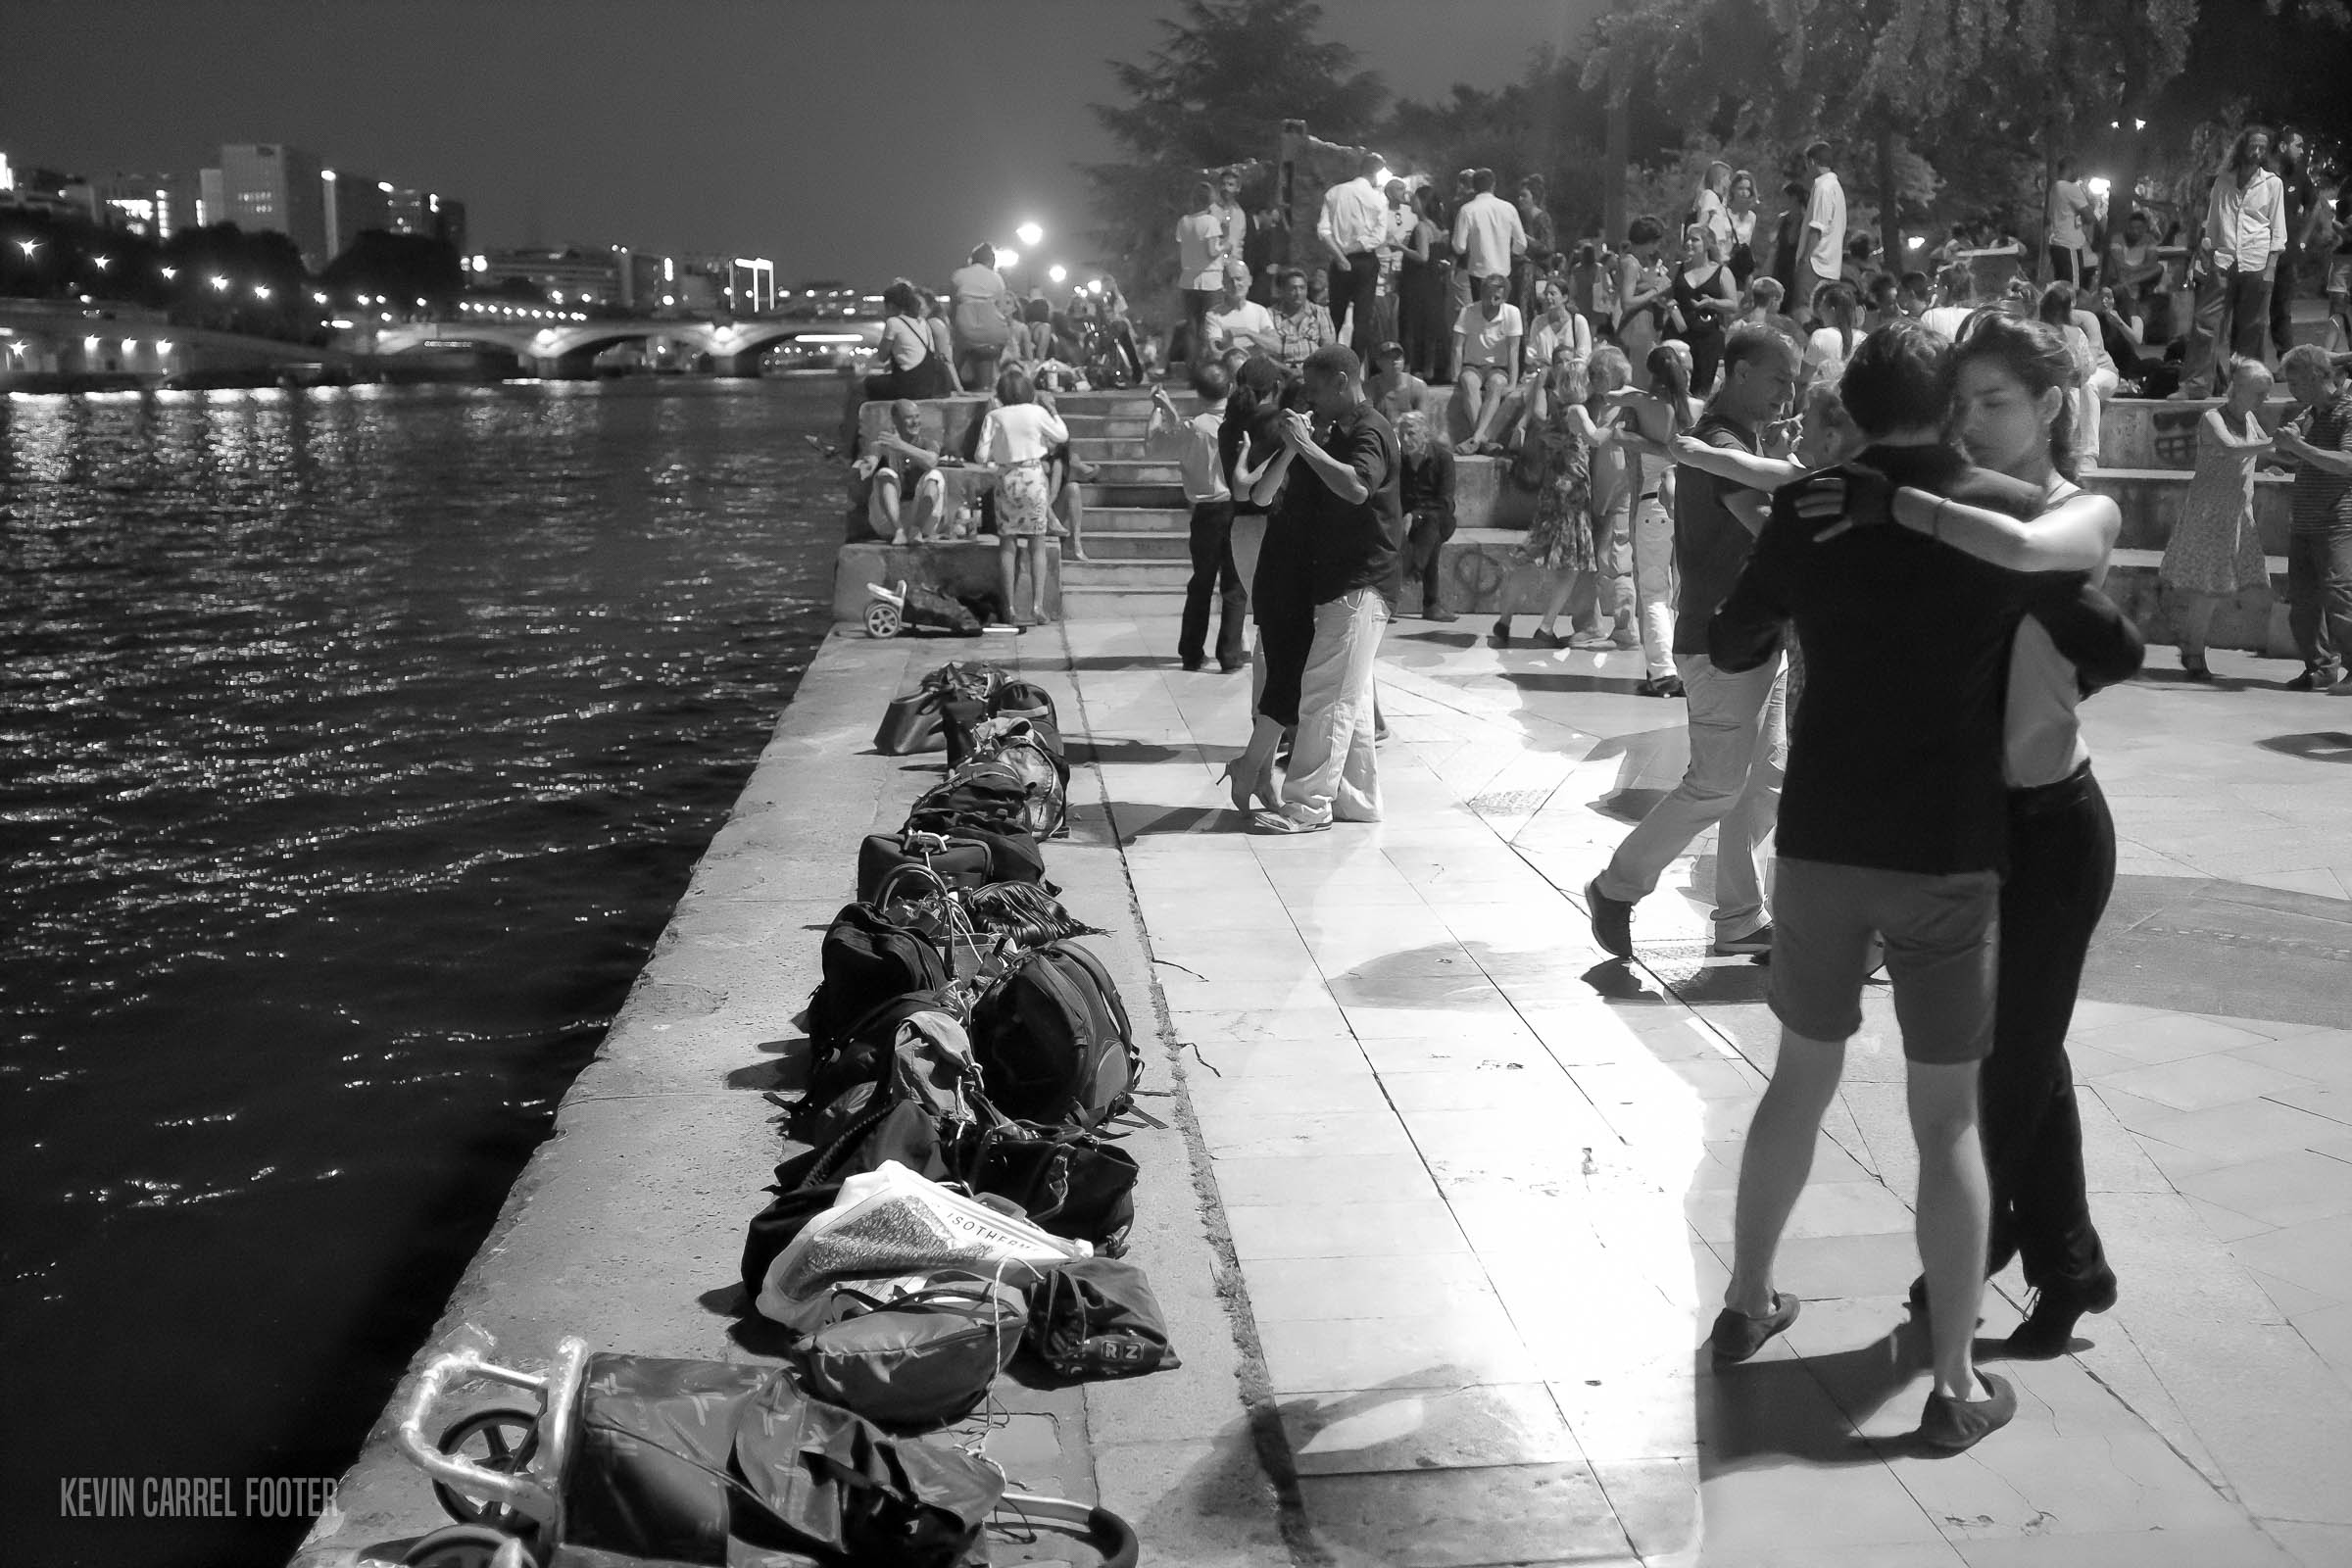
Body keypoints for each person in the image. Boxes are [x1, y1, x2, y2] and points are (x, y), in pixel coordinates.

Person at [1702, 318, 2134, 1447]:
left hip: (1823, 844)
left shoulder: (1813, 504)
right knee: (1949, 1120)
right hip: (1948, 848)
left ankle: (1746, 1300)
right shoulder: (2000, 516)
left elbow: (1734, 636)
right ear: (1947, 405)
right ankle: (1950, 1385)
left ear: (1847, 399)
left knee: (1797, 1083)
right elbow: (2108, 637)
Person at [1808, 315, 2146, 1356]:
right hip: (1966, 820)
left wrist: (1904, 500)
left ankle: (2006, 1249)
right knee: (2013, 1055)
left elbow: (2033, 555)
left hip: (2052, 826)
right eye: (1961, 404)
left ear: (2049, 407)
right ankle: (2055, 1260)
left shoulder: (2075, 510)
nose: (1974, 423)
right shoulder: (1947, 505)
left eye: (1996, 402)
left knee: (2013, 1060)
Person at [1585, 324, 1798, 956]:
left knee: (1766, 779)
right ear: (1736, 373)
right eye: (1777, 380)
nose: (1786, 394)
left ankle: (1738, 916)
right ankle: (1617, 886)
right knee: (1716, 786)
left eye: (1792, 383)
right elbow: (1762, 526)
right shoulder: (1722, 442)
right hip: (1720, 642)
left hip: (1754, 637)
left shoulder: (1743, 440)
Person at [1254, 345, 1401, 833]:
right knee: (1350, 699)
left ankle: (1305, 806)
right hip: (1336, 580)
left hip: (1361, 581)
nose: (1309, 399)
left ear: (1342, 381)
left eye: (1316, 389)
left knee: (1324, 695)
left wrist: (1308, 446)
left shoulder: (1369, 429)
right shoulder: (1337, 431)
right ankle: (1355, 800)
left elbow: (1358, 487)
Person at [2161, 358, 2277, 679]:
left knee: (2217, 589)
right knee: (2208, 589)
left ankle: (2190, 643)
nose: (2264, 400)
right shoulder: (2213, 418)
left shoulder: (2250, 418)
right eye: (2259, 393)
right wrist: (2274, 444)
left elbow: (2257, 451)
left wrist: (2276, 458)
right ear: (2238, 390)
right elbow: (2230, 448)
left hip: (2236, 514)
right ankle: (2193, 650)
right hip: (2210, 515)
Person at [1495, 356, 1616, 648]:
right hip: (1572, 495)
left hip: (1552, 491)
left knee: (1532, 555)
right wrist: (1617, 421)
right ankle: (1546, 627)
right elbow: (1595, 439)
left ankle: (1504, 620)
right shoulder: (1577, 409)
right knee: (1572, 563)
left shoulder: (1554, 409)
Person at [2176, 125, 2285, 400]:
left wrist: (2270, 268)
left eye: (2263, 147)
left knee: (2252, 329)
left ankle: (2247, 389)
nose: (2258, 152)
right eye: (2253, 146)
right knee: (2205, 322)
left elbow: (2278, 230)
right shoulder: (2223, 181)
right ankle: (2195, 386)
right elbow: (2213, 223)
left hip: (2257, 262)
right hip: (2223, 261)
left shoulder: (2272, 183)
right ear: (2242, 146)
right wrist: (2206, 254)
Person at [1149, 364, 1244, 672]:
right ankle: (1230, 655)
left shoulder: (1194, 427)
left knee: (1201, 583)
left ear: (1199, 393)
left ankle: (1191, 652)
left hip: (1206, 512)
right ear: (1230, 388)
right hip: (1236, 508)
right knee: (1234, 584)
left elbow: (1154, 445)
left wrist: (1158, 410)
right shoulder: (1240, 424)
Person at [2271, 344, 2352, 691]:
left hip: (2337, 521)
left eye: (2297, 382)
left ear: (2318, 376)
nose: (2291, 390)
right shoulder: (2311, 414)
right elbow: (2297, 457)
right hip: (2304, 521)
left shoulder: (2348, 412)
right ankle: (2319, 668)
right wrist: (2283, 452)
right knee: (2303, 605)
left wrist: (2300, 449)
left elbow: (2347, 463)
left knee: (2340, 597)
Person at [977, 367, 1068, 626]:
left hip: (1007, 480)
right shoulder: (1037, 412)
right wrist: (1052, 410)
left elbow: (981, 457)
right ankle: (1038, 605)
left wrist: (998, 460)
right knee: (1037, 543)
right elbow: (1062, 435)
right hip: (1033, 478)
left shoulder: (994, 416)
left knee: (1008, 544)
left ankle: (1009, 607)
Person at [2038, 282, 2119, 471]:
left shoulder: (2082, 324)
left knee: (2086, 386)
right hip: (2068, 382)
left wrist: (2070, 376)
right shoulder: (2038, 330)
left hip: (2100, 372)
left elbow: (2087, 368)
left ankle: (2089, 455)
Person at [1319, 151, 1391, 358]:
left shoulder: (1334, 192)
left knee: (1335, 315)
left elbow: (1323, 231)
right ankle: (1356, 368)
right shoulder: (1377, 198)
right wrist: (1349, 250)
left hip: (1338, 257)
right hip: (1365, 260)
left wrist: (1340, 255)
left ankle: (1329, 361)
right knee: (1362, 317)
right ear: (1376, 174)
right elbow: (1378, 237)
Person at [1451, 271, 1526, 456]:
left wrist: (1513, 382)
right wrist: (1454, 376)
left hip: (1498, 368)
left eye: (1497, 297)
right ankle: (1483, 440)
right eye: (1488, 295)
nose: (1492, 301)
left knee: (1498, 384)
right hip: (1473, 365)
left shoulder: (1512, 313)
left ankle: (1475, 438)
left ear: (1504, 297)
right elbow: (1457, 347)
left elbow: (1514, 350)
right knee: (1469, 381)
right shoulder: (1467, 311)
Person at [1396, 409, 1457, 619]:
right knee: (1430, 538)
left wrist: (1415, 515)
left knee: (1430, 523)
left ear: (1425, 434)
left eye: (1411, 433)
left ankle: (1412, 569)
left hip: (1440, 518)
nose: (1405, 439)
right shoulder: (1397, 461)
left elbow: (1445, 501)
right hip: (1407, 520)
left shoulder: (1443, 458)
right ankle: (1431, 605)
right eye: (1401, 434)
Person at [860, 398, 950, 543]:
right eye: (909, 418)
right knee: (885, 474)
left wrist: (901, 446)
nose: (915, 422)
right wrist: (869, 460)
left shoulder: (929, 444)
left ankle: (916, 531)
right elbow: (864, 471)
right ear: (895, 420)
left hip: (923, 521)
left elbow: (931, 461)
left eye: (917, 417)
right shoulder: (882, 445)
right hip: (888, 522)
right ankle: (899, 531)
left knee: (935, 475)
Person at [2270, 128, 2323, 361]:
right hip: (2259, 251)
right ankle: (2244, 363)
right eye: (2298, 145)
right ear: (2282, 146)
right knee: (2253, 309)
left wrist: (2302, 241)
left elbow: (2315, 206)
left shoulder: (2300, 175)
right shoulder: (2265, 172)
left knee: (2282, 309)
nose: (2302, 151)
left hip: (2287, 252)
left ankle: (2285, 361)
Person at [862, 279, 956, 404]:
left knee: (861, 387)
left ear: (890, 306)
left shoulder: (894, 322)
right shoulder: (923, 322)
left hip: (907, 387)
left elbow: (882, 356)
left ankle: (853, 423)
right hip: (928, 386)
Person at [1671, 224, 1739, 392]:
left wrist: (1712, 303)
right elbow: (1660, 292)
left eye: (1694, 239)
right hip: (1678, 334)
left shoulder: (1722, 272)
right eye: (1687, 239)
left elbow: (1733, 305)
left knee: (1701, 389)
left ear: (1707, 243)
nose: (1688, 243)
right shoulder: (1676, 269)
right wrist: (1668, 305)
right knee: (1674, 386)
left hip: (1707, 337)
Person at [1177, 181, 1232, 373]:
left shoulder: (1184, 221)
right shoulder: (1210, 222)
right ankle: (1208, 367)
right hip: (1210, 279)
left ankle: (1192, 369)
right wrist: (1226, 245)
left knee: (1191, 327)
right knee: (1210, 326)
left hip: (1188, 278)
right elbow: (1211, 251)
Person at [1451, 168, 1527, 302]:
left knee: (1481, 316)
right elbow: (1521, 244)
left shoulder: (1467, 210)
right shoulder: (1509, 208)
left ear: (1474, 186)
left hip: (1478, 273)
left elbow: (1459, 247)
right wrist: (1508, 253)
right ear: (1493, 184)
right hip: (1503, 273)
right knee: (1501, 313)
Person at [1400, 185, 1449, 379]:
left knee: (1414, 324)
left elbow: (1422, 256)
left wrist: (1399, 247)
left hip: (1418, 283)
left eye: (1415, 199)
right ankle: (1433, 367)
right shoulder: (1438, 229)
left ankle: (1414, 366)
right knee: (1431, 324)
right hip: (1434, 282)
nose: (1411, 202)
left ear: (1423, 203)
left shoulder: (1421, 227)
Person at [1796, 141, 1847, 321]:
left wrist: (1805, 259)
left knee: (1805, 312)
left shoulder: (1823, 187)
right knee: (1825, 316)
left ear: (1811, 162)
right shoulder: (1836, 187)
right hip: (1831, 265)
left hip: (1817, 264)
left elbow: (1817, 227)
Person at [2106, 209, 2171, 337]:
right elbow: (2119, 265)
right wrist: (2134, 270)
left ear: (2145, 228)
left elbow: (2152, 264)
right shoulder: (2117, 238)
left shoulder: (2150, 240)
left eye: (2139, 228)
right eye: (2132, 228)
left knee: (2159, 268)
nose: (2135, 231)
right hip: (2124, 275)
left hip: (2138, 277)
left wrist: (2133, 272)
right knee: (2120, 278)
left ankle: (2128, 285)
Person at [1203, 258, 1276, 359]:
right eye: (1230, 281)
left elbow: (1276, 346)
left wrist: (1246, 332)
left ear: (1249, 281)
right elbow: (1216, 354)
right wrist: (1254, 348)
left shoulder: (1260, 311)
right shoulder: (1213, 316)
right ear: (1223, 284)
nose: (1235, 284)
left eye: (1239, 279)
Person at [1268, 267, 1336, 372]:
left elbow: (1329, 349)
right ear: (1283, 290)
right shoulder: (1270, 315)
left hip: (1315, 372)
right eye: (1293, 288)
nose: (1298, 293)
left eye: (1302, 288)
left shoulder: (1319, 313)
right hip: (1281, 373)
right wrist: (1289, 371)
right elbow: (1267, 353)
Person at [2046, 157, 2099, 286]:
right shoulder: (2070, 188)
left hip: (2057, 243)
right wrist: (2095, 206)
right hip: (2070, 245)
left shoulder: (2055, 188)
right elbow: (2089, 217)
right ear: (2071, 168)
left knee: (2061, 286)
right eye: (2078, 170)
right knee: (2072, 288)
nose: (2079, 174)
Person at [1802, 281, 1864, 392]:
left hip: (1825, 403)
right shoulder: (1864, 339)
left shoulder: (1820, 336)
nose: (1820, 312)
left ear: (1832, 311)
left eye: (1822, 308)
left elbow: (1804, 379)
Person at [1514, 174, 1557, 319]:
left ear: (1534, 198)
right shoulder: (1520, 219)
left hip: (1537, 274)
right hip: (1520, 270)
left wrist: (1524, 238)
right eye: (1519, 196)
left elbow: (1548, 247)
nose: (1520, 199)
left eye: (1524, 196)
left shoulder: (1542, 218)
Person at [1366, 340, 1429, 424]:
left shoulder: (1418, 386)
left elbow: (1423, 418)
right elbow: (1365, 419)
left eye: (1397, 357)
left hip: (1407, 433)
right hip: (1381, 434)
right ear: (1379, 363)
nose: (1394, 362)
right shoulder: (1370, 387)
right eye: (1389, 357)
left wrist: (1405, 419)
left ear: (1403, 361)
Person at [1724, 170, 1763, 289]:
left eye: (1748, 189)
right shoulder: (1725, 212)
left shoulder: (1752, 217)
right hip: (1724, 261)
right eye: (1740, 188)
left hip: (1741, 266)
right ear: (1733, 189)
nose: (1744, 193)